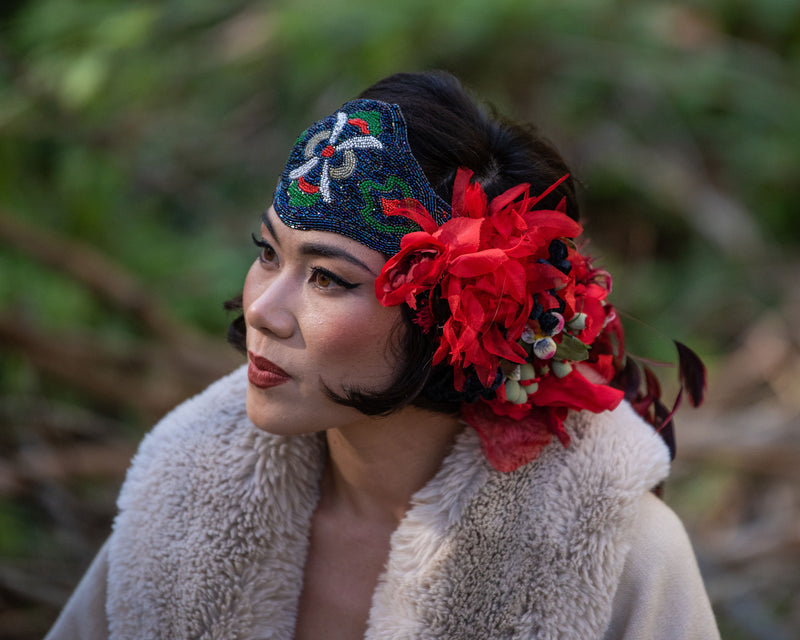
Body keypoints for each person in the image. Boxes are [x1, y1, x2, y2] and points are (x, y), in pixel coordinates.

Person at [45, 71, 720, 640]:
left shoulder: (611, 547)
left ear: (459, 317)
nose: (261, 308)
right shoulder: (186, 491)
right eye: (267, 254)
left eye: (328, 278)